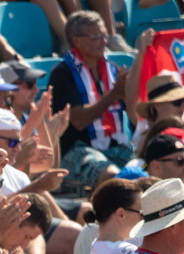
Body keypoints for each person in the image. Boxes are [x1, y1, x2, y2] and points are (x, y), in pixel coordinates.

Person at [48, 11, 132, 192]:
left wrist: (129, 91)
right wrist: (115, 93)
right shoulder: (62, 74)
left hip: (113, 145)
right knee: (112, 176)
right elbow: (78, 120)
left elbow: (134, 114)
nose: (103, 42)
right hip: (75, 151)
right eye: (96, 37)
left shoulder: (111, 70)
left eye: (104, 36)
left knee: (150, 165)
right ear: (77, 40)